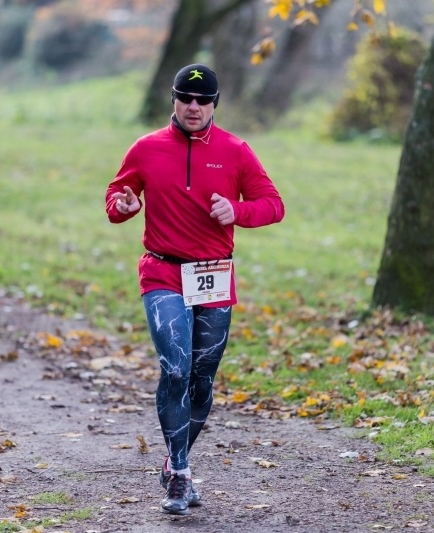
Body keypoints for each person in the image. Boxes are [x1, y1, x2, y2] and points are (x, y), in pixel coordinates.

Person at [105, 63, 285, 515]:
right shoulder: (146, 149)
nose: (193, 107)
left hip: (213, 276)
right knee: (177, 368)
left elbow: (273, 205)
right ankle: (181, 475)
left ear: (214, 105)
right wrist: (124, 205)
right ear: (174, 99)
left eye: (203, 101)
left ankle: (172, 459)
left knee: (203, 381)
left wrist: (237, 212)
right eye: (186, 98)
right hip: (163, 273)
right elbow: (117, 197)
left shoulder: (235, 151)